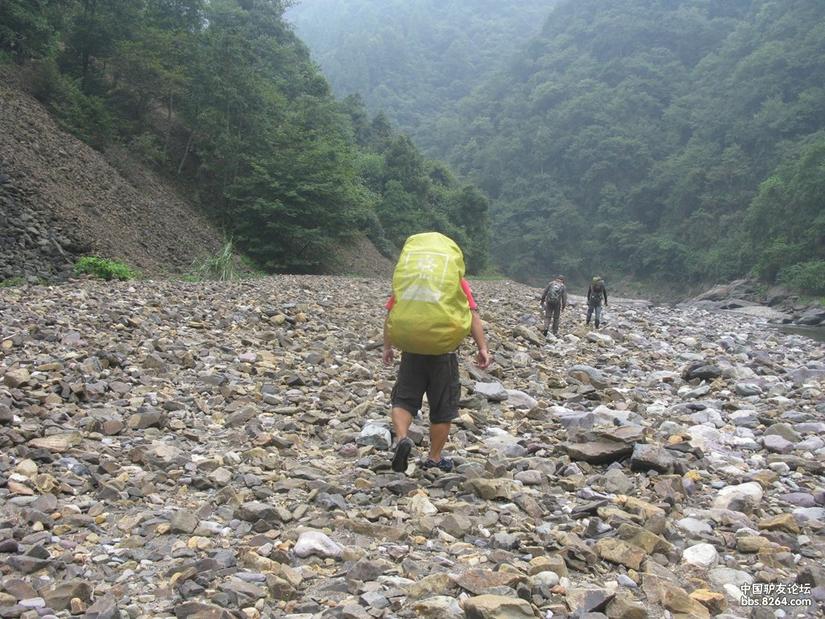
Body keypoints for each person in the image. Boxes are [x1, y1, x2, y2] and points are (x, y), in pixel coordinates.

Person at [383, 279, 491, 474]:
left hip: (412, 350)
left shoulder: (410, 278)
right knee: (443, 406)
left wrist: (388, 346)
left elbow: (392, 314)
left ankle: (401, 439)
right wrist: (482, 348)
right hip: (444, 353)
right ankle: (434, 459)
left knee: (403, 400)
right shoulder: (454, 280)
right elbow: (472, 314)